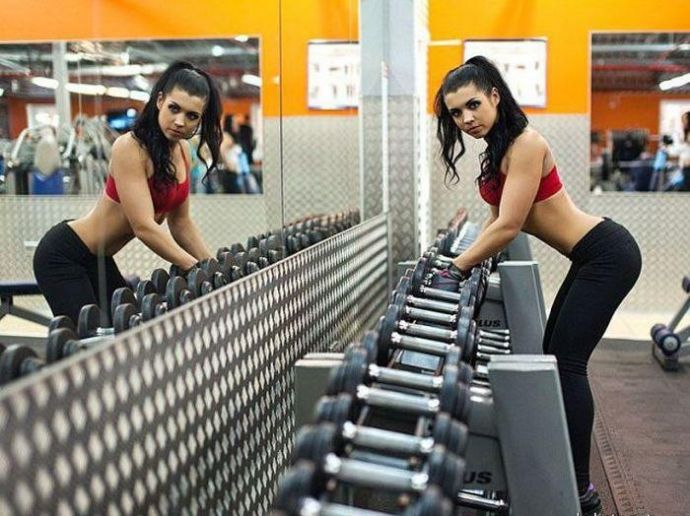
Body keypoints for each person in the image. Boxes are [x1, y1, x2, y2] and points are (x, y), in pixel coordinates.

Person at [432, 56, 641, 516]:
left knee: (567, 365)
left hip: (609, 255)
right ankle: (558, 466)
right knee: (553, 358)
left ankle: (580, 491)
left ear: (494, 96)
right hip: (589, 257)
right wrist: (463, 262)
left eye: (472, 105)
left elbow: (510, 225)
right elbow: (496, 223)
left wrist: (457, 269)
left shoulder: (526, 143)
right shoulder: (498, 148)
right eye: (455, 113)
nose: (466, 119)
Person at [33, 61, 223, 324]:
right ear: (159, 101)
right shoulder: (130, 147)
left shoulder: (182, 152)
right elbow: (143, 226)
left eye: (192, 116)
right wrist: (193, 266)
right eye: (174, 108)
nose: (180, 121)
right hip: (64, 255)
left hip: (99, 259)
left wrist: (213, 268)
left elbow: (181, 223)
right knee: (90, 339)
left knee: (126, 331)